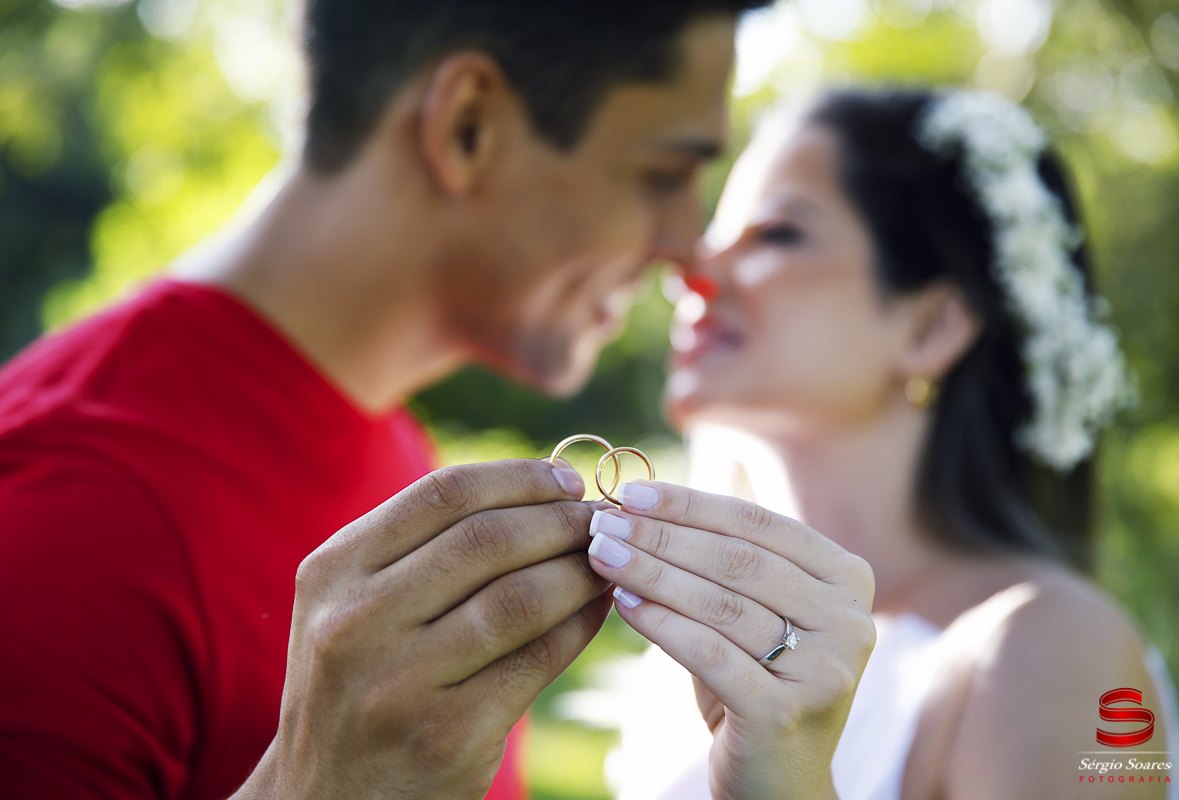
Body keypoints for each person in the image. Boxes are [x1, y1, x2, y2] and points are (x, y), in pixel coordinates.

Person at [0, 1, 882, 798]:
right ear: (467, 126)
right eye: (662, 173)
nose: (693, 249)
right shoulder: (60, 514)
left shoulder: (392, 448)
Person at [583, 89, 1179, 799]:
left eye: (776, 233)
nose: (691, 266)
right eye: (715, 233)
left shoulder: (1060, 654)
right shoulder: (699, 653)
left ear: (933, 326)